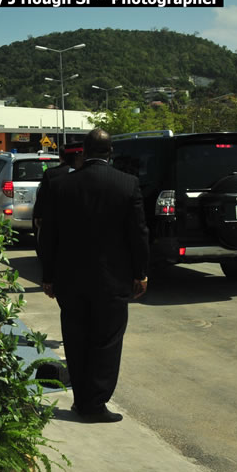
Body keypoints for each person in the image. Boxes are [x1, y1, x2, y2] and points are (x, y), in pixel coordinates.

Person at [39, 128, 149, 424]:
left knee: (75, 339)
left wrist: (48, 275)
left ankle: (82, 400)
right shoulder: (127, 184)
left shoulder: (61, 184)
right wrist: (140, 273)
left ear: (84, 152)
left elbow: (48, 233)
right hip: (112, 279)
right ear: (110, 152)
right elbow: (138, 233)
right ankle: (95, 403)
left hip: (70, 278)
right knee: (107, 341)